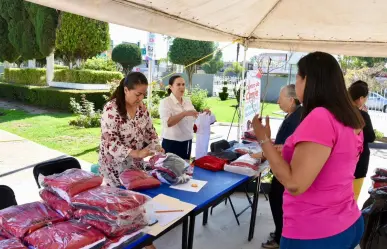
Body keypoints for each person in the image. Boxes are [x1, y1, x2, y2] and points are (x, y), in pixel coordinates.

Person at [252, 51, 365, 249]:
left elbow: (295, 183)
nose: (296, 86)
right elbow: (331, 158)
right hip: (347, 222)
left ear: (308, 80)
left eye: (297, 78)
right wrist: (282, 148)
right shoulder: (349, 117)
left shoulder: (320, 116)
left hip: (316, 231)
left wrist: (263, 139)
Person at [99, 72, 162, 187]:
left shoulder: (142, 109)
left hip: (135, 167)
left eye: (143, 94)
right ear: (126, 90)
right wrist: (136, 153)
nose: (141, 98)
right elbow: (110, 142)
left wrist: (157, 147)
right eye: (138, 94)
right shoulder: (111, 109)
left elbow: (150, 132)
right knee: (119, 201)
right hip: (114, 169)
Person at [260, 84, 303, 249]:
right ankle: (280, 231)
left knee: (278, 202)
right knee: (277, 200)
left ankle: (280, 237)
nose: (277, 101)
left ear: (291, 100)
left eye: (280, 98)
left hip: (286, 169)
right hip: (283, 168)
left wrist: (266, 147)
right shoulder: (292, 115)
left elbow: (286, 148)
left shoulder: (296, 119)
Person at [159, 75, 209, 160]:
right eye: (178, 84)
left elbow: (194, 115)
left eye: (183, 84)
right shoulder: (165, 102)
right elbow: (167, 123)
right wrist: (184, 114)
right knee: (171, 171)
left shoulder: (187, 100)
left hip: (187, 141)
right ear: (171, 87)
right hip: (171, 143)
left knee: (185, 169)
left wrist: (203, 113)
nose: (181, 87)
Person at [348, 80, 376, 201]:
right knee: (352, 200)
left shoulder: (340, 112)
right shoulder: (362, 115)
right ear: (360, 98)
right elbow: (370, 137)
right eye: (365, 98)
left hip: (341, 164)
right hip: (358, 164)